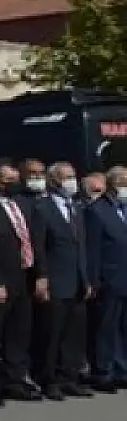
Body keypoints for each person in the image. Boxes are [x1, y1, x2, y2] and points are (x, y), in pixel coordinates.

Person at [0, 160, 41, 404]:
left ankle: (15, 380)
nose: (14, 185)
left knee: (19, 332)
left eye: (16, 180)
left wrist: (39, 274)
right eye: (9, 181)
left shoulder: (22, 204)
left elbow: (33, 239)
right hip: (2, 279)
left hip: (24, 276)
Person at [30, 161, 89, 399]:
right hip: (55, 280)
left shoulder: (75, 207)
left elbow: (81, 246)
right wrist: (42, 277)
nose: (71, 181)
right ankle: (49, 379)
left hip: (76, 280)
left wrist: (86, 278)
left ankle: (69, 377)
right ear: (54, 181)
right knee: (52, 334)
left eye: (73, 176)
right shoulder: (42, 208)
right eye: (66, 177)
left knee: (74, 334)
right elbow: (40, 246)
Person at [84, 166, 127, 392]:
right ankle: (103, 372)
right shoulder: (97, 210)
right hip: (108, 278)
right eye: (123, 182)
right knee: (106, 328)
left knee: (124, 328)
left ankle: (122, 370)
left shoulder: (124, 207)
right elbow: (92, 249)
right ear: (111, 184)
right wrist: (93, 280)